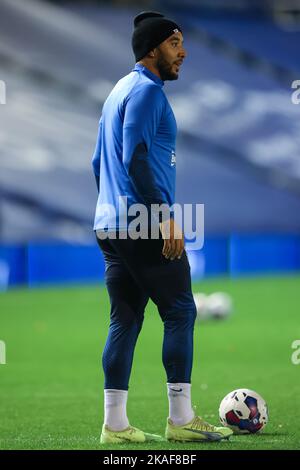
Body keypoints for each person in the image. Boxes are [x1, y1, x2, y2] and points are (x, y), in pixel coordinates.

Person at [92, 11, 232, 444]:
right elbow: (135, 156)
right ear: (153, 49)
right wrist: (164, 216)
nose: (183, 52)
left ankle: (114, 426)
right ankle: (181, 418)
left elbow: (99, 162)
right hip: (144, 221)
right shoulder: (149, 93)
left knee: (126, 320)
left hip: (111, 222)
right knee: (181, 311)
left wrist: (113, 209)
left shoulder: (118, 90)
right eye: (175, 44)